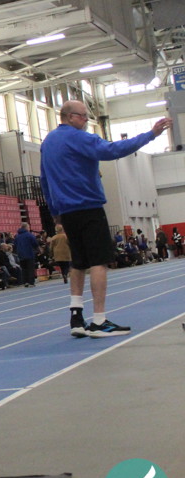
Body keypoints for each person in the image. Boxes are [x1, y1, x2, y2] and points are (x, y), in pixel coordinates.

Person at [40, 100, 171, 338]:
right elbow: (113, 150)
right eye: (83, 116)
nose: (86, 120)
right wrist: (151, 134)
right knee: (98, 262)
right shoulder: (79, 138)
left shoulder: (48, 141)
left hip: (66, 211)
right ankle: (99, 320)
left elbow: (44, 179)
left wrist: (55, 212)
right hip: (88, 207)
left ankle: (76, 317)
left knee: (78, 262)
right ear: (70, 117)